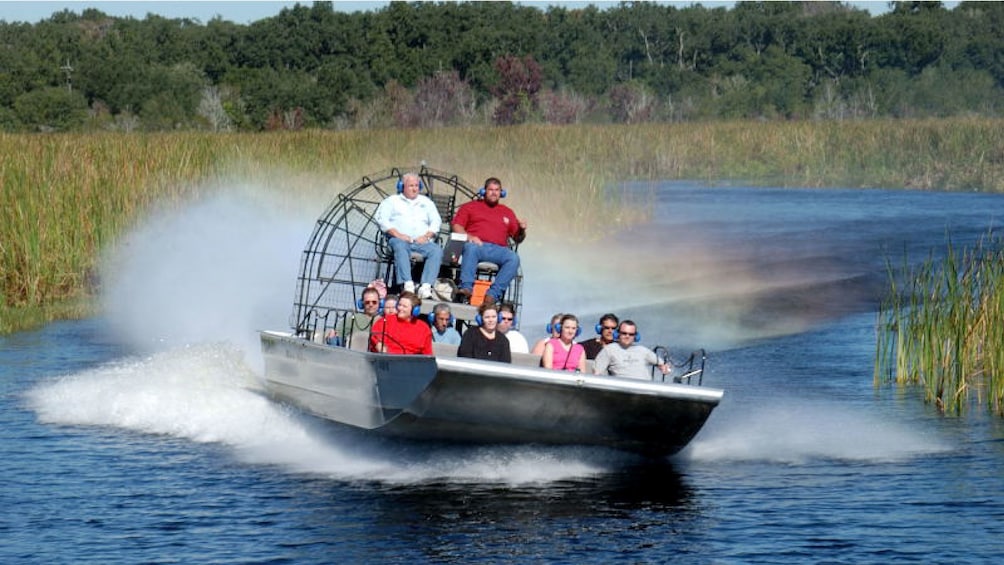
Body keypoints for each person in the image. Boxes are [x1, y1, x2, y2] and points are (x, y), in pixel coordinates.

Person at [451, 177, 527, 304]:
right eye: (490, 189)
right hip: (477, 246)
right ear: (483, 191)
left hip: (499, 249)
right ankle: (466, 289)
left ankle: (492, 295)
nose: (494, 193)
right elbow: (456, 226)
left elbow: (518, 238)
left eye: (497, 190)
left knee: (514, 258)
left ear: (501, 193)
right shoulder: (470, 207)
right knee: (470, 248)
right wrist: (470, 237)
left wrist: (522, 230)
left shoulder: (507, 212)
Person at [374, 172, 442, 298]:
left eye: (417, 185)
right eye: (411, 186)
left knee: (436, 250)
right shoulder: (391, 201)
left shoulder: (426, 202)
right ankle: (407, 284)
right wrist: (398, 234)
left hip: (421, 242)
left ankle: (426, 286)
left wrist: (427, 236)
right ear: (402, 186)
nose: (415, 188)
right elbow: (381, 219)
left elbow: (436, 221)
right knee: (400, 246)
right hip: (399, 240)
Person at [593, 320, 670, 380]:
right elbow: (597, 374)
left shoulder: (643, 350)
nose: (627, 336)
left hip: (646, 390)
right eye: (624, 333)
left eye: (631, 334)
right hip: (621, 392)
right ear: (617, 334)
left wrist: (664, 367)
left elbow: (663, 365)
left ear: (635, 336)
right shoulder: (609, 349)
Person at [369, 291, 433, 354]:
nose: (400, 308)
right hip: (386, 360)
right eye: (399, 305)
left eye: (404, 306)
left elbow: (427, 355)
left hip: (409, 362)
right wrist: (381, 348)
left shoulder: (424, 329)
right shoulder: (386, 320)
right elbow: (375, 338)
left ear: (414, 310)